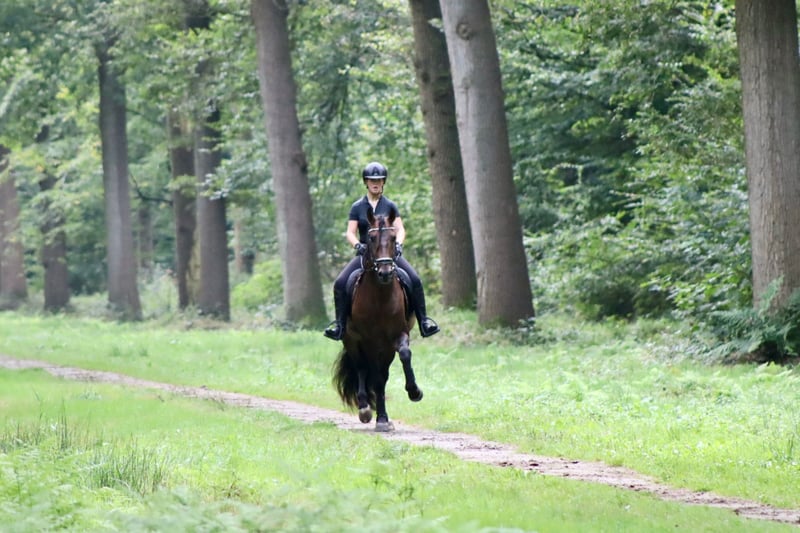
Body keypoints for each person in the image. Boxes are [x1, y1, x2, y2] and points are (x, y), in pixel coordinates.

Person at [324, 161, 440, 340]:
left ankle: (424, 322)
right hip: (366, 254)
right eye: (372, 180)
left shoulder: (390, 205)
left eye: (379, 180)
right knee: (340, 283)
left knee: (415, 279)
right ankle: (339, 325)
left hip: (388, 253)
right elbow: (350, 232)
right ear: (366, 182)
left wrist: (398, 244)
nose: (375, 183)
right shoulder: (357, 207)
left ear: (383, 182)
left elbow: (400, 229)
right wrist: (358, 245)